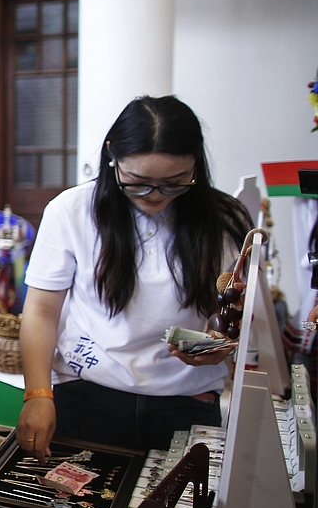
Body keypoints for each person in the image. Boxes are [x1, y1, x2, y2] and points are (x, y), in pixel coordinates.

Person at [18, 95, 252, 460]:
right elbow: (41, 311)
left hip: (187, 402)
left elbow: (237, 313)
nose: (155, 195)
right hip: (88, 394)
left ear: (196, 163)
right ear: (112, 156)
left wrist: (217, 347)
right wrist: (37, 394)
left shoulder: (226, 219)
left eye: (174, 182)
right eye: (138, 181)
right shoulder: (72, 210)